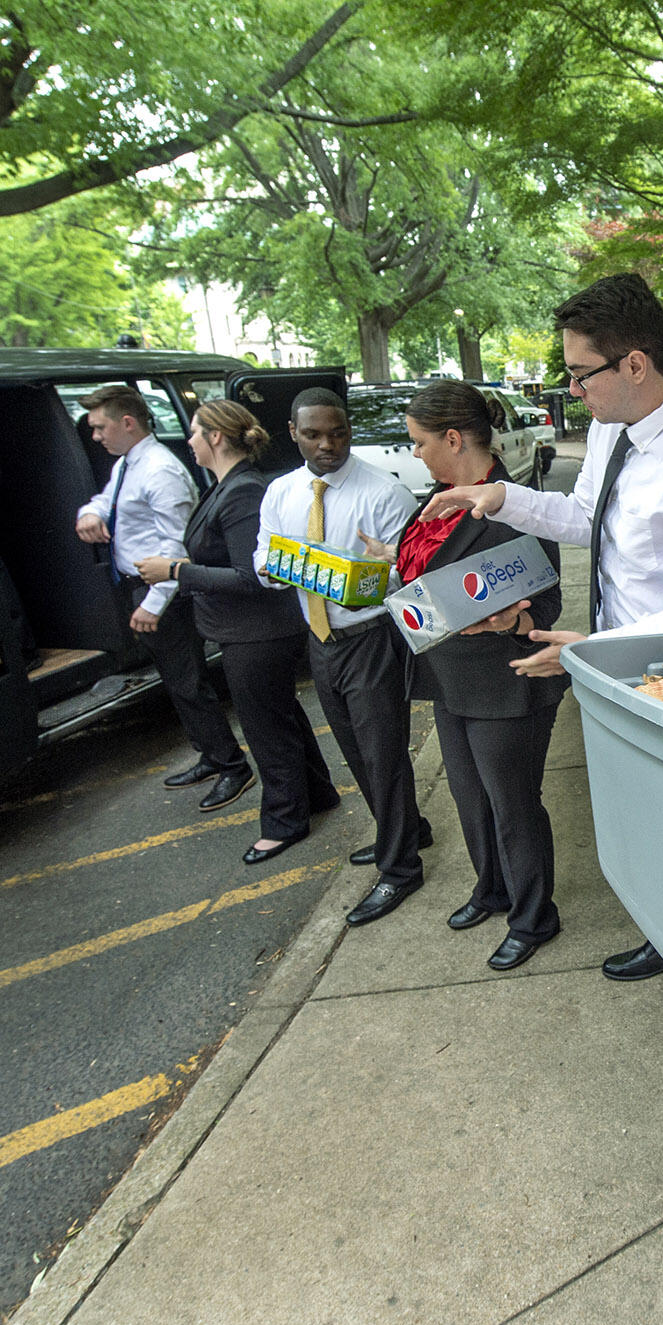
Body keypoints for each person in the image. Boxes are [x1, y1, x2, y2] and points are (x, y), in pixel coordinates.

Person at [421, 273, 663, 1108]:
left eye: (582, 374)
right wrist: (498, 496)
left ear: (636, 362)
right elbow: (582, 518)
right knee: (645, 835)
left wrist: (593, 649)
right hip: (614, 665)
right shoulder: (616, 426)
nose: (572, 389)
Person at [398, 381, 570, 970]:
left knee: (513, 803)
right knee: (469, 799)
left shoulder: (514, 506)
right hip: (449, 678)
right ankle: (491, 890)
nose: (414, 453)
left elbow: (546, 607)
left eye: (420, 442)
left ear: (453, 437)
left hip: (507, 681)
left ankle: (533, 916)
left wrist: (513, 618)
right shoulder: (433, 503)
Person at [135, 400, 339, 865]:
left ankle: (285, 821)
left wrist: (175, 571)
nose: (187, 442)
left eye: (193, 433)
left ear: (215, 437)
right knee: (280, 716)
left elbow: (253, 577)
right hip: (246, 631)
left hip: (258, 632)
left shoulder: (244, 492)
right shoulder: (227, 487)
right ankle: (319, 794)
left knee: (266, 728)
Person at [256, 388, 429, 924]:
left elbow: (409, 577)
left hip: (371, 637)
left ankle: (400, 868)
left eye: (338, 433)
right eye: (314, 435)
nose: (328, 444)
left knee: (383, 753)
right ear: (293, 433)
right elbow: (263, 557)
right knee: (355, 750)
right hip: (322, 640)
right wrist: (288, 566)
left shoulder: (383, 493)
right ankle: (405, 831)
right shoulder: (282, 492)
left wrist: (372, 576)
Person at [73, 384, 252, 811]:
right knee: (176, 681)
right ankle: (210, 755)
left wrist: (154, 604)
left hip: (165, 592)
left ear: (127, 422)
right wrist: (91, 512)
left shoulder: (159, 470)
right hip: (143, 585)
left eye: (99, 427)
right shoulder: (128, 465)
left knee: (189, 682)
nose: (95, 436)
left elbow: (177, 546)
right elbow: (107, 499)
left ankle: (232, 766)